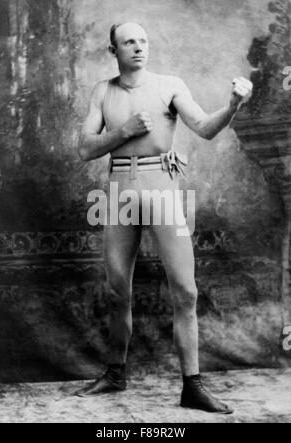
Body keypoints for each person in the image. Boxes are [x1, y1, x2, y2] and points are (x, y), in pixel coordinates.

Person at [76, 22, 253, 414]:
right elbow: (86, 149)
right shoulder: (102, 91)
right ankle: (115, 374)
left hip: (162, 191)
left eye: (143, 41)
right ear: (114, 50)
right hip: (120, 191)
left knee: (186, 290)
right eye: (128, 42)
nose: (138, 47)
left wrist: (234, 104)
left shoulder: (169, 84)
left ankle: (193, 385)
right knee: (117, 290)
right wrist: (123, 130)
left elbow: (205, 128)